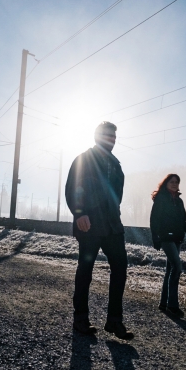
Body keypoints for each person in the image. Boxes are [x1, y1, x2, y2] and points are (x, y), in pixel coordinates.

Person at [65, 121, 134, 340]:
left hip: (113, 226)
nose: (111, 139)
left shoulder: (117, 166)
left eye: (114, 136)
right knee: (85, 270)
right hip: (89, 224)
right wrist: (79, 213)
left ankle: (114, 321)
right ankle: (80, 318)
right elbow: (72, 188)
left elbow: (117, 197)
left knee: (120, 269)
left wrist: (115, 216)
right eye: (107, 135)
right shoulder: (83, 159)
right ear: (96, 136)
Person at [149, 174, 186, 318]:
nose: (174, 184)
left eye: (177, 182)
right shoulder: (161, 199)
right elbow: (154, 219)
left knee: (170, 270)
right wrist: (155, 237)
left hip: (177, 238)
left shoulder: (179, 201)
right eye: (172, 182)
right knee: (177, 267)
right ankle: (173, 305)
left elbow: (183, 222)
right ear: (165, 183)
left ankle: (163, 303)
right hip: (166, 238)